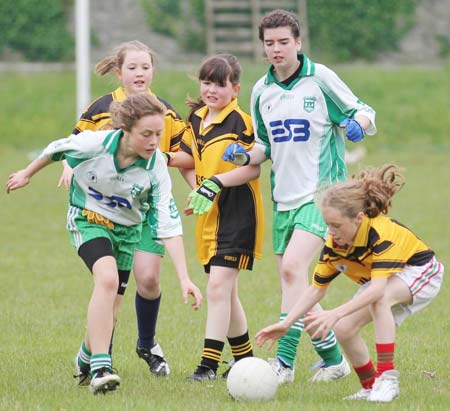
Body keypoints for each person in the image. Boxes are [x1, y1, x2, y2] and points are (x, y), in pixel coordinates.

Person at [6, 93, 202, 394]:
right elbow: (56, 148)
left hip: (127, 233)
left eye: (158, 135)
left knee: (111, 308)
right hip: (88, 219)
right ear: (125, 129)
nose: (153, 142)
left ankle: (85, 357)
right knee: (107, 280)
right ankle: (101, 367)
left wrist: (184, 277)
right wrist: (26, 173)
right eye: (146, 134)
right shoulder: (95, 143)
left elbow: (168, 223)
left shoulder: (156, 167)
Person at [222, 9, 377, 383]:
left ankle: (284, 364)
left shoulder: (319, 79)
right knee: (296, 287)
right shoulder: (261, 91)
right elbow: (264, 145)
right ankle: (335, 361)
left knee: (293, 269)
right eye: (269, 43)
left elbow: (365, 111)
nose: (276, 49)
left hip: (323, 197)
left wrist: (359, 124)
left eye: (283, 42)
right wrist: (245, 155)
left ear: (298, 43)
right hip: (284, 200)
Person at [58, 40, 192, 379]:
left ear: (153, 71)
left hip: (149, 208)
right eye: (132, 67)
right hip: (113, 208)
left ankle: (146, 344)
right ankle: (99, 358)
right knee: (112, 294)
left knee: (148, 279)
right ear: (119, 72)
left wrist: (184, 177)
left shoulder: (164, 111)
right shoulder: (102, 108)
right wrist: (68, 167)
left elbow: (187, 155)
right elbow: (76, 143)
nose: (139, 73)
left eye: (145, 67)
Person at [255, 164, 444, 402]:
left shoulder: (380, 234)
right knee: (344, 328)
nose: (330, 233)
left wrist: (334, 313)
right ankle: (370, 386)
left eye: (336, 225)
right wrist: (288, 323)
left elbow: (376, 290)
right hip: (387, 279)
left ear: (359, 218)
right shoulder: (335, 246)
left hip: (421, 270)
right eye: (327, 225)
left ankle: (388, 380)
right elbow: (315, 290)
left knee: (379, 299)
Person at [170, 54, 264, 381]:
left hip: (239, 214)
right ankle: (245, 361)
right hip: (209, 218)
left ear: (235, 88)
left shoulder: (242, 121)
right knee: (226, 291)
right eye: (206, 82)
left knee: (218, 287)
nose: (212, 90)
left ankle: (208, 365)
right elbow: (187, 159)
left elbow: (251, 168)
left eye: (219, 84)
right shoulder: (195, 119)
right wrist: (152, 153)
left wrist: (211, 186)